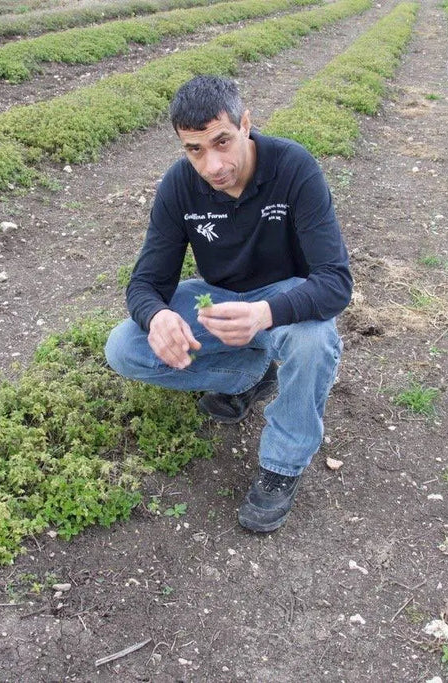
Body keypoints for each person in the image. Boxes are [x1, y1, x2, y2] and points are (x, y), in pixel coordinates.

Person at [104, 75, 352, 533]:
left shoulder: (293, 167)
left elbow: (336, 282)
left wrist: (264, 314)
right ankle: (251, 375)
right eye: (195, 149)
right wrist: (157, 316)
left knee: (314, 339)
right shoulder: (179, 186)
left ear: (246, 124)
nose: (213, 164)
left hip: (283, 297)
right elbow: (146, 281)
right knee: (124, 347)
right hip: (216, 300)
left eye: (222, 142)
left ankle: (283, 465)